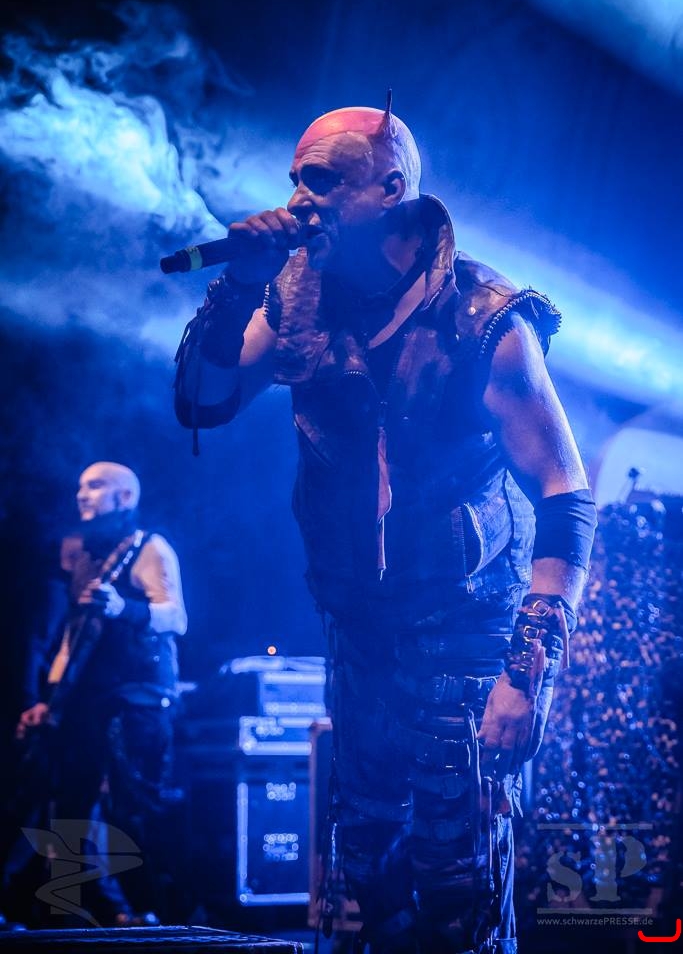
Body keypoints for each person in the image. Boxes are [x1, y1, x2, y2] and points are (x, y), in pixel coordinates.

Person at [173, 100, 597, 954]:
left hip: (464, 637)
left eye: (323, 180)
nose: (299, 197)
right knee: (368, 881)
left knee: (459, 885)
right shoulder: (294, 296)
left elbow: (564, 493)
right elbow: (203, 401)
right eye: (294, 178)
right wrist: (239, 286)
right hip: (359, 637)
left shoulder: (482, 316)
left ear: (389, 189)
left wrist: (527, 676)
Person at [2, 461, 187, 928]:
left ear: (125, 497)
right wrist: (48, 702)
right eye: (81, 486)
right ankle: (77, 911)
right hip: (87, 700)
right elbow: (73, 639)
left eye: (96, 485)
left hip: (136, 699)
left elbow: (176, 617)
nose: (82, 494)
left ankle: (152, 910)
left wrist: (125, 608)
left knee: (132, 806)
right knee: (72, 803)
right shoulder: (87, 556)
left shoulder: (150, 547)